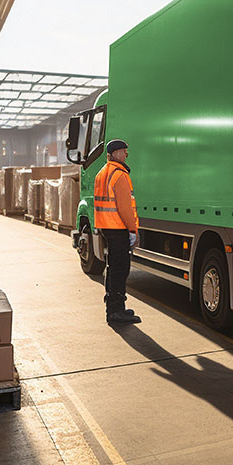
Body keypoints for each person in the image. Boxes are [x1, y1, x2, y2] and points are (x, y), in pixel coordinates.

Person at [94, 139, 142, 325]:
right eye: (122, 151)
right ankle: (116, 311)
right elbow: (124, 208)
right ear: (113, 154)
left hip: (107, 227)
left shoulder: (102, 173)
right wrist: (133, 230)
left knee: (113, 268)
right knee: (121, 270)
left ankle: (113, 307)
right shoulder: (119, 175)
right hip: (119, 227)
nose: (125, 154)